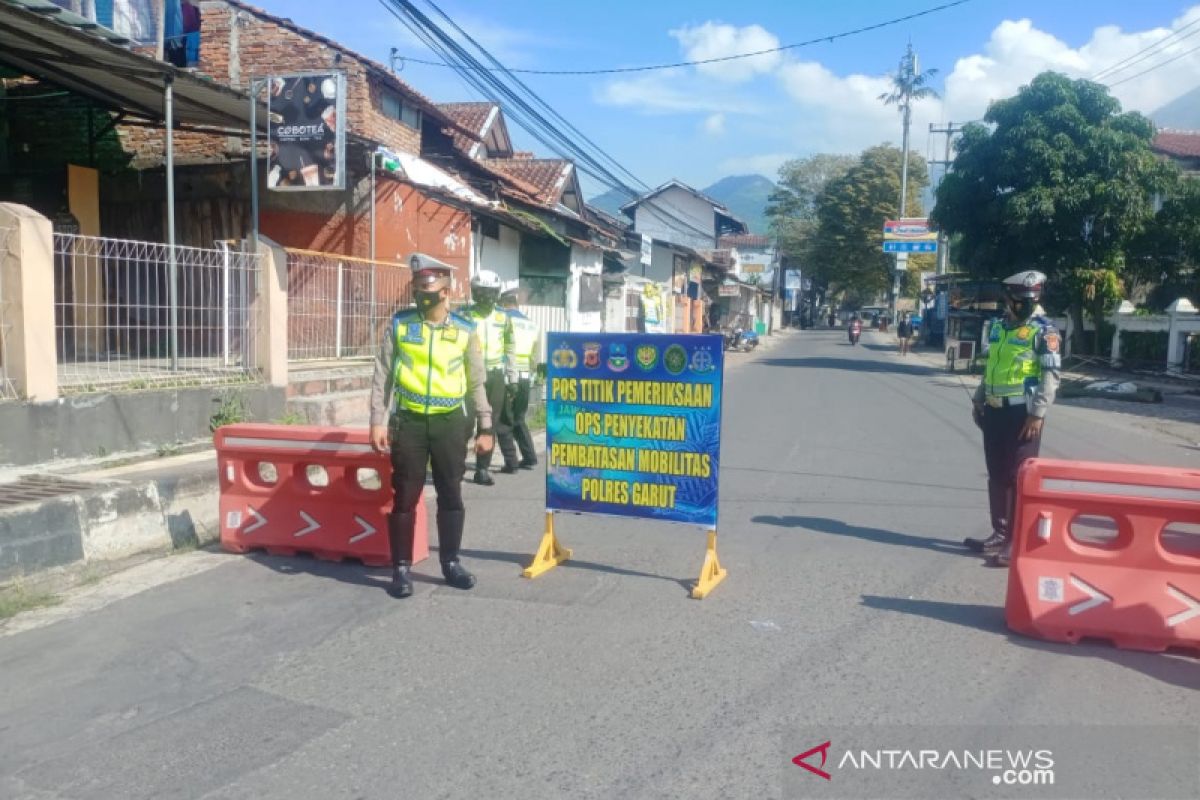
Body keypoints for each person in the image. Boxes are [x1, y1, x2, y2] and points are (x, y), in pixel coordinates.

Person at [369, 255, 494, 599]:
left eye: (430, 292)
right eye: (418, 291)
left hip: (450, 422)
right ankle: (401, 569)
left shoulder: (465, 332)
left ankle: (451, 563)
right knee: (405, 496)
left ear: (446, 292)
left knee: (451, 493)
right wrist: (377, 420)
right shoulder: (400, 325)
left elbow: (477, 382)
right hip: (408, 421)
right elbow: (383, 376)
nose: (423, 298)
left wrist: (486, 427)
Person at [964, 270, 1061, 567]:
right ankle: (1000, 531)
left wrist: (1037, 413)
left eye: (1030, 299)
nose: (1024, 305)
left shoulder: (1045, 331)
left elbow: (1051, 376)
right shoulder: (998, 328)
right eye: (1019, 299)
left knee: (1019, 477)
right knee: (997, 474)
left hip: (1023, 413)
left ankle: (1014, 541)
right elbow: (991, 367)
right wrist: (980, 399)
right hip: (994, 410)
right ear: (1008, 299)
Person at [464, 270, 519, 484]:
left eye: (490, 293)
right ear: (474, 292)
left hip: (495, 376)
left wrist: (512, 379)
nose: (486, 297)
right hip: (470, 377)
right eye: (481, 292)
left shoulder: (503, 317)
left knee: (490, 424)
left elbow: (511, 347)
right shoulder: (464, 315)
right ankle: (457, 464)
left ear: (497, 294)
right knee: (465, 422)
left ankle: (482, 468)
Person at [499, 289, 541, 469]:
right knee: (519, 419)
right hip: (525, 378)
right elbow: (536, 357)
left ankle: (511, 462)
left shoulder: (502, 322)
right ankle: (530, 456)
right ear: (516, 305)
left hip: (508, 376)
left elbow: (500, 349)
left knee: (503, 420)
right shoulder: (531, 324)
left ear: (503, 305)